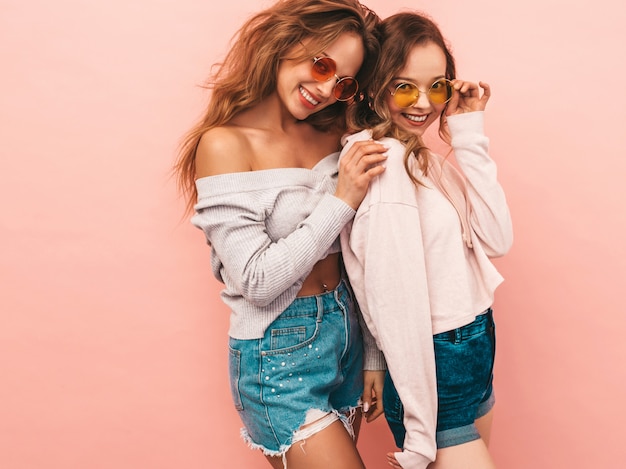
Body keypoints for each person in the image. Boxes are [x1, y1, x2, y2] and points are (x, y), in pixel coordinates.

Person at [173, 1, 389, 468]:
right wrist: (343, 198)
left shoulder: (336, 136)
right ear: (285, 42)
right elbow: (256, 280)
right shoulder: (225, 144)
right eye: (321, 64)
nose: (326, 89)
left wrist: (372, 353)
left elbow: (357, 256)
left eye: (343, 82)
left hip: (346, 337)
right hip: (279, 353)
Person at [339, 11, 513, 469]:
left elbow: (496, 238)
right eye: (404, 86)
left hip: (472, 347)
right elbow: (394, 305)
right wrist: (419, 430)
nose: (423, 102)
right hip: (435, 364)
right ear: (376, 85)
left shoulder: (423, 160)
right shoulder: (385, 164)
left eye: (437, 86)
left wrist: (469, 130)